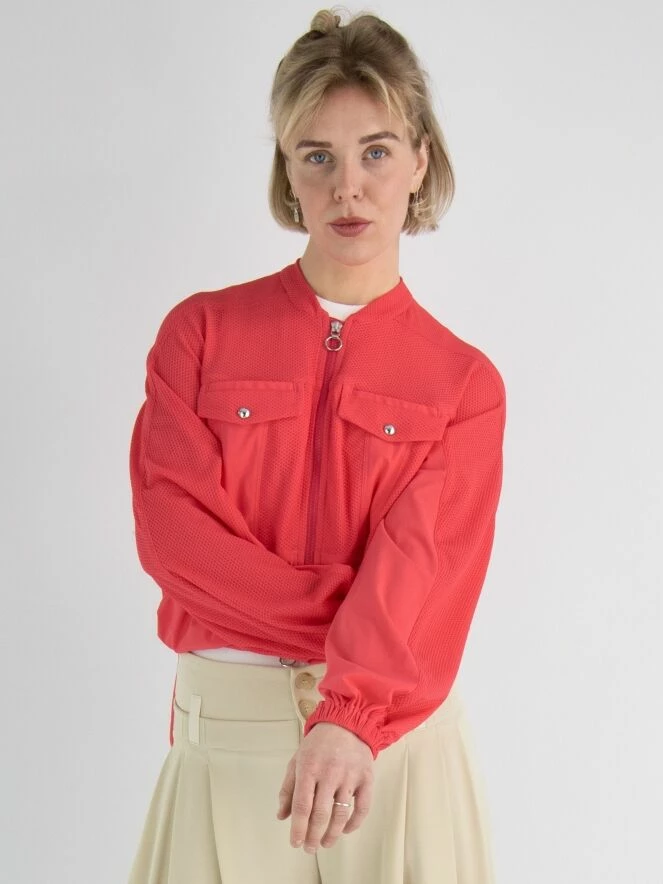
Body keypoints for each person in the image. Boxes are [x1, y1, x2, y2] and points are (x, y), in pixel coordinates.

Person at [127, 7, 506, 883]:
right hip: (229, 743)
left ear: (419, 161)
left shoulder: (462, 384)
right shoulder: (198, 336)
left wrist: (352, 711)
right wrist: (365, 631)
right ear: (286, 168)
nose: (348, 188)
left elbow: (430, 567)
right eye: (317, 156)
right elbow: (176, 544)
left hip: (396, 756)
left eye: (375, 151)